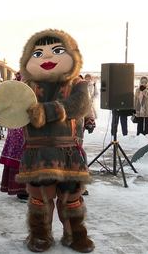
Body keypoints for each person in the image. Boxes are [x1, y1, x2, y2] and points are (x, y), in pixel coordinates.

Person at [15, 29, 93, 253]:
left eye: (57, 51)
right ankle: (40, 235)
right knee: (40, 197)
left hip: (68, 152)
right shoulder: (26, 88)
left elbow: (80, 105)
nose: (47, 57)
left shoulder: (78, 84)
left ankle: (76, 234)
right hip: (37, 153)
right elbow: (10, 110)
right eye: (38, 53)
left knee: (72, 196)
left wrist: (47, 111)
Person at [0, 72, 28, 202]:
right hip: (17, 127)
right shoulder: (14, 91)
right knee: (19, 155)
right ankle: (21, 189)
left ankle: (32, 188)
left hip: (30, 126)